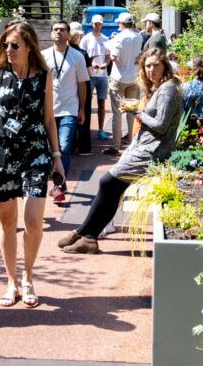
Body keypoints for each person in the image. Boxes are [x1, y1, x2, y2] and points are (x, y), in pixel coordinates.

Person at [60, 48, 182, 254]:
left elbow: (161, 124)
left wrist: (139, 114)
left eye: (156, 65)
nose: (151, 70)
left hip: (152, 151)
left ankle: (87, 234)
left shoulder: (168, 89)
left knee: (108, 183)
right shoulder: (160, 87)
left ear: (165, 67)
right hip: (145, 147)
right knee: (111, 187)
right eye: (148, 66)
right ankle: (86, 234)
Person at [0, 19, 62, 308]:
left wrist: (57, 157)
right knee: (8, 221)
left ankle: (28, 277)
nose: (8, 50)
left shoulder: (43, 77)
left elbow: (49, 119)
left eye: (14, 45)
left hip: (35, 152)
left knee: (33, 222)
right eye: (5, 45)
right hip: (2, 153)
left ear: (28, 47)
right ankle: (11, 281)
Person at [42, 19, 88, 204]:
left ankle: (59, 184)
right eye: (55, 30)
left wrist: (82, 109)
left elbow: (82, 85)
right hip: (47, 111)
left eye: (62, 30)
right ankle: (57, 180)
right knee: (48, 149)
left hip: (69, 109)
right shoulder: (43, 55)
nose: (58, 32)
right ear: (51, 33)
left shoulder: (77, 57)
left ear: (69, 34)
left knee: (63, 147)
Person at [106, 17, 145, 144]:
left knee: (117, 113)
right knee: (131, 112)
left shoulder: (119, 37)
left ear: (121, 23)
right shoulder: (138, 37)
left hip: (119, 78)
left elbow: (113, 57)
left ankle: (116, 145)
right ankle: (132, 142)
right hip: (133, 78)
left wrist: (111, 43)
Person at [79, 19, 111, 145]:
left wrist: (105, 64)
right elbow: (82, 56)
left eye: (99, 23)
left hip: (102, 75)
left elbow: (108, 57)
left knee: (102, 102)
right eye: (95, 23)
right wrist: (90, 63)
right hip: (89, 74)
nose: (97, 26)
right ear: (91, 24)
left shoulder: (105, 39)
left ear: (102, 24)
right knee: (86, 102)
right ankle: (86, 129)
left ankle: (101, 129)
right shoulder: (86, 39)